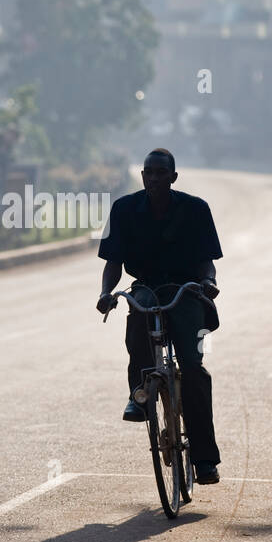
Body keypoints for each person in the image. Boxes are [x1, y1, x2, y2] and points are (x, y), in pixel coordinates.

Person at [96, 147, 223, 484]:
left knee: (194, 371)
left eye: (160, 173)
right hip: (147, 287)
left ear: (173, 177)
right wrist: (106, 293)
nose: (154, 178)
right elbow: (113, 264)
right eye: (148, 172)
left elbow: (207, 260)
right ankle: (139, 396)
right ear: (142, 176)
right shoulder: (124, 210)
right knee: (136, 322)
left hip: (186, 289)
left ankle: (205, 460)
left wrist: (208, 282)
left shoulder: (196, 210)